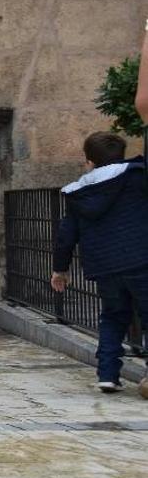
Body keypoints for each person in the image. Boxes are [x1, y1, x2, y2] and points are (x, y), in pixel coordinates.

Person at [51, 132, 148, 393]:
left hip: (104, 265)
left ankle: (107, 374)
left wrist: (60, 268)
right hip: (141, 258)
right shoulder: (136, 176)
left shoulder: (79, 193)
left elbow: (66, 234)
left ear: (89, 162)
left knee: (113, 317)